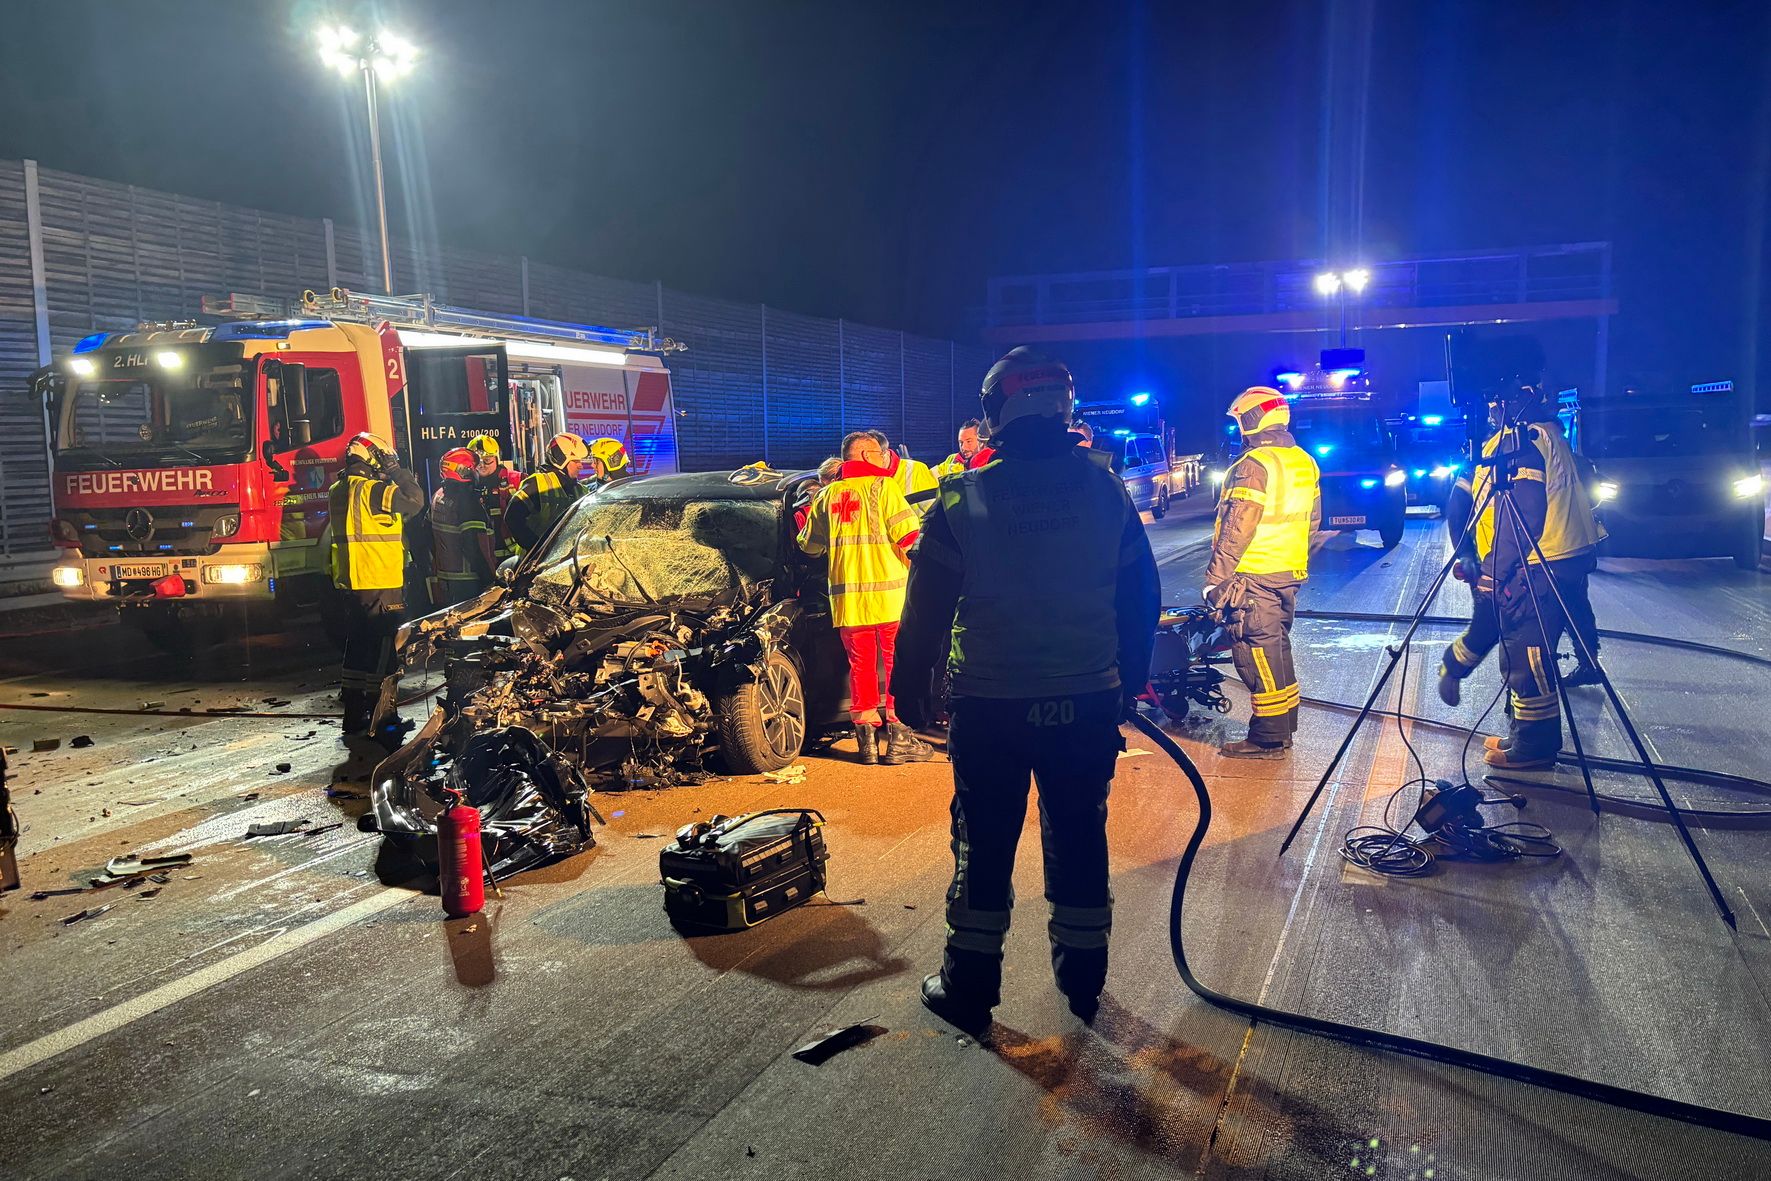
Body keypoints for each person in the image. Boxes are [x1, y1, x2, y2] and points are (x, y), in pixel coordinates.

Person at [890, 346, 1160, 1033]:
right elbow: (1140, 593)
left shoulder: (964, 498)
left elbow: (925, 605)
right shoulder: (1104, 491)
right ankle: (1082, 979)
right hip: (1085, 699)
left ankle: (968, 985)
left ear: (994, 414)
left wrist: (907, 687)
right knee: (1078, 829)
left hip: (991, 704)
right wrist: (1130, 675)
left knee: (983, 842)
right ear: (1063, 408)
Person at [1437, 378, 1601, 769]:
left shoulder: (1521, 442)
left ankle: (1534, 747)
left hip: (1535, 562)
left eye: (1494, 404)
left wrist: (1491, 568)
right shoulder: (1546, 436)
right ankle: (1519, 732)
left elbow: (1522, 512)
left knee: (1528, 655)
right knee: (1512, 642)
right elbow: (1463, 501)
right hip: (1555, 559)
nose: (1490, 412)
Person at [798, 431, 931, 766]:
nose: (883, 459)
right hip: (889, 599)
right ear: (867, 455)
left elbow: (808, 546)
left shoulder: (827, 496)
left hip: (848, 603)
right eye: (877, 454)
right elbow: (912, 540)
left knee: (861, 669)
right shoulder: (884, 489)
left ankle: (867, 743)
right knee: (896, 667)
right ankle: (899, 740)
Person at [1203, 387, 1322, 758]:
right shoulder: (1303, 460)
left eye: (1240, 421)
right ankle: (1283, 727)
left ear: (1251, 419)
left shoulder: (1253, 464)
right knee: (1277, 650)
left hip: (1253, 573)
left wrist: (1215, 581)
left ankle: (1268, 737)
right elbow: (1312, 521)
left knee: (1256, 652)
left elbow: (1237, 526)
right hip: (1287, 571)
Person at [328, 432, 425, 742]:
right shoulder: (373, 490)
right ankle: (383, 717)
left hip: (351, 583)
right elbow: (415, 501)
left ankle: (354, 715)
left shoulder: (337, 489)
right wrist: (396, 470)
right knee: (385, 650)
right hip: (380, 580)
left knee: (357, 648)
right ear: (374, 459)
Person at [428, 447, 497, 607]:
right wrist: (490, 582)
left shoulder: (438, 496)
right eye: (473, 468)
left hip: (447, 580)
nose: (476, 472)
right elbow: (474, 547)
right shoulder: (468, 502)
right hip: (470, 583)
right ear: (464, 471)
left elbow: (427, 533)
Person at [507, 432, 589, 553]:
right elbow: (512, 516)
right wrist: (537, 548)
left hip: (570, 559)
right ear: (561, 459)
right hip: (535, 564)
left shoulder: (580, 489)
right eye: (576, 461)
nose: (580, 466)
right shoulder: (538, 483)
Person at [467, 434, 520, 564]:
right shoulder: (468, 487)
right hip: (482, 561)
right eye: (477, 461)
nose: (482, 465)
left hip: (513, 557)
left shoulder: (517, 480)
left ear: (497, 458)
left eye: (487, 459)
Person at [866, 429, 939, 514]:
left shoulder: (915, 469)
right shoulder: (867, 477)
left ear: (885, 454)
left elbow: (933, 509)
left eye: (869, 458)